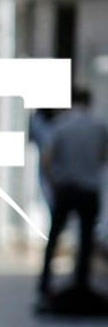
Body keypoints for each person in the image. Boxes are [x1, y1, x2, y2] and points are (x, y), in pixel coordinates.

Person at [39, 87, 108, 298]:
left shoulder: (61, 125)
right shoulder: (99, 126)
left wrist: (54, 184)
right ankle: (82, 282)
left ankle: (45, 283)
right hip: (88, 190)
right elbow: (103, 156)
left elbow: (47, 160)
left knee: (55, 236)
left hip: (66, 188)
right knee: (87, 239)